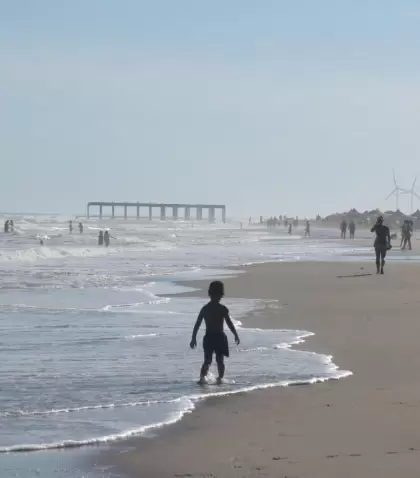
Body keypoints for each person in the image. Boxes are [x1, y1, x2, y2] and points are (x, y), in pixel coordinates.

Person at [190, 281, 240, 385]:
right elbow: (197, 324)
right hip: (214, 338)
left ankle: (217, 379)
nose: (217, 297)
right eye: (216, 295)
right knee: (210, 361)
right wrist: (193, 338)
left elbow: (229, 323)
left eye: (217, 295)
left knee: (217, 361)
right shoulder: (208, 309)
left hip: (214, 338)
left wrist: (235, 334)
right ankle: (204, 379)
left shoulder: (215, 309)